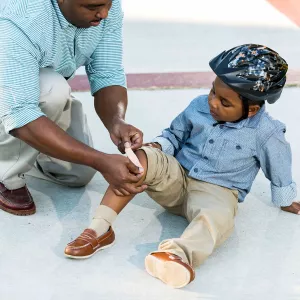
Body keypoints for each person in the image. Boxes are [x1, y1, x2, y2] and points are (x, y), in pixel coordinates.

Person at [65, 44, 298, 288]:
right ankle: (99, 228)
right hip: (175, 177)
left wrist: (285, 198)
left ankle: (177, 255)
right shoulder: (199, 105)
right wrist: (156, 147)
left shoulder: (267, 133)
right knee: (139, 159)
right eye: (212, 92)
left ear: (251, 110)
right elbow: (175, 136)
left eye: (225, 103)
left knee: (217, 219)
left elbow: (279, 164)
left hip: (217, 191)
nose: (213, 103)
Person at [0, 0, 146, 216]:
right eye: (92, 6)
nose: (104, 13)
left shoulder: (105, 8)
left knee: (78, 173)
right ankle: (6, 175)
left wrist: (117, 121)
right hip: (13, 94)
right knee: (52, 88)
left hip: (32, 88)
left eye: (108, 3)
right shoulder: (19, 19)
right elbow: (21, 114)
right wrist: (100, 160)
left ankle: (32, 147)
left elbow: (107, 73)